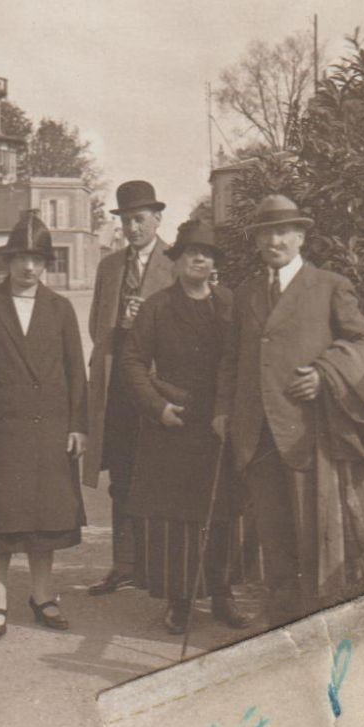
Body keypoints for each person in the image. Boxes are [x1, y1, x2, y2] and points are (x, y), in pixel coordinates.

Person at [213, 195, 364, 626]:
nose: (273, 240)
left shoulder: (330, 285)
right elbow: (232, 358)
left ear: (300, 237)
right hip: (256, 432)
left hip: (308, 432)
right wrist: (223, 412)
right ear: (256, 240)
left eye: (282, 231)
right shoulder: (246, 293)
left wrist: (324, 373)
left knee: (316, 536)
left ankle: (320, 627)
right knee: (273, 540)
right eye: (265, 233)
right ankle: (282, 629)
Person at [0, 212, 89, 640]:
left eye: (37, 259)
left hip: (50, 432)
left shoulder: (61, 308)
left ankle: (43, 596)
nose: (28, 267)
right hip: (0, 432)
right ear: (7, 262)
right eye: (20, 258)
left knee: (43, 521)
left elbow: (76, 373)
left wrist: (78, 426)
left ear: (47, 264)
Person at [119, 220, 250, 634]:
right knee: (176, 520)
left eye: (207, 253)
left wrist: (233, 412)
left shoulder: (229, 305)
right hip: (173, 425)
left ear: (214, 264)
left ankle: (223, 593)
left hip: (219, 423)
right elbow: (132, 362)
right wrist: (157, 408)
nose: (199, 259)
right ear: (176, 261)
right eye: (191, 252)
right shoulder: (157, 306)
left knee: (224, 511)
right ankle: (179, 601)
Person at [83, 180, 175, 596]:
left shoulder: (177, 263)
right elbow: (94, 326)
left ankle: (157, 566)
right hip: (117, 387)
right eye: (126, 221)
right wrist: (121, 321)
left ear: (157, 218)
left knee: (157, 474)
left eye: (140, 219)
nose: (133, 228)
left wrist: (148, 321)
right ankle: (124, 564)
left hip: (160, 387)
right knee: (120, 476)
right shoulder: (109, 267)